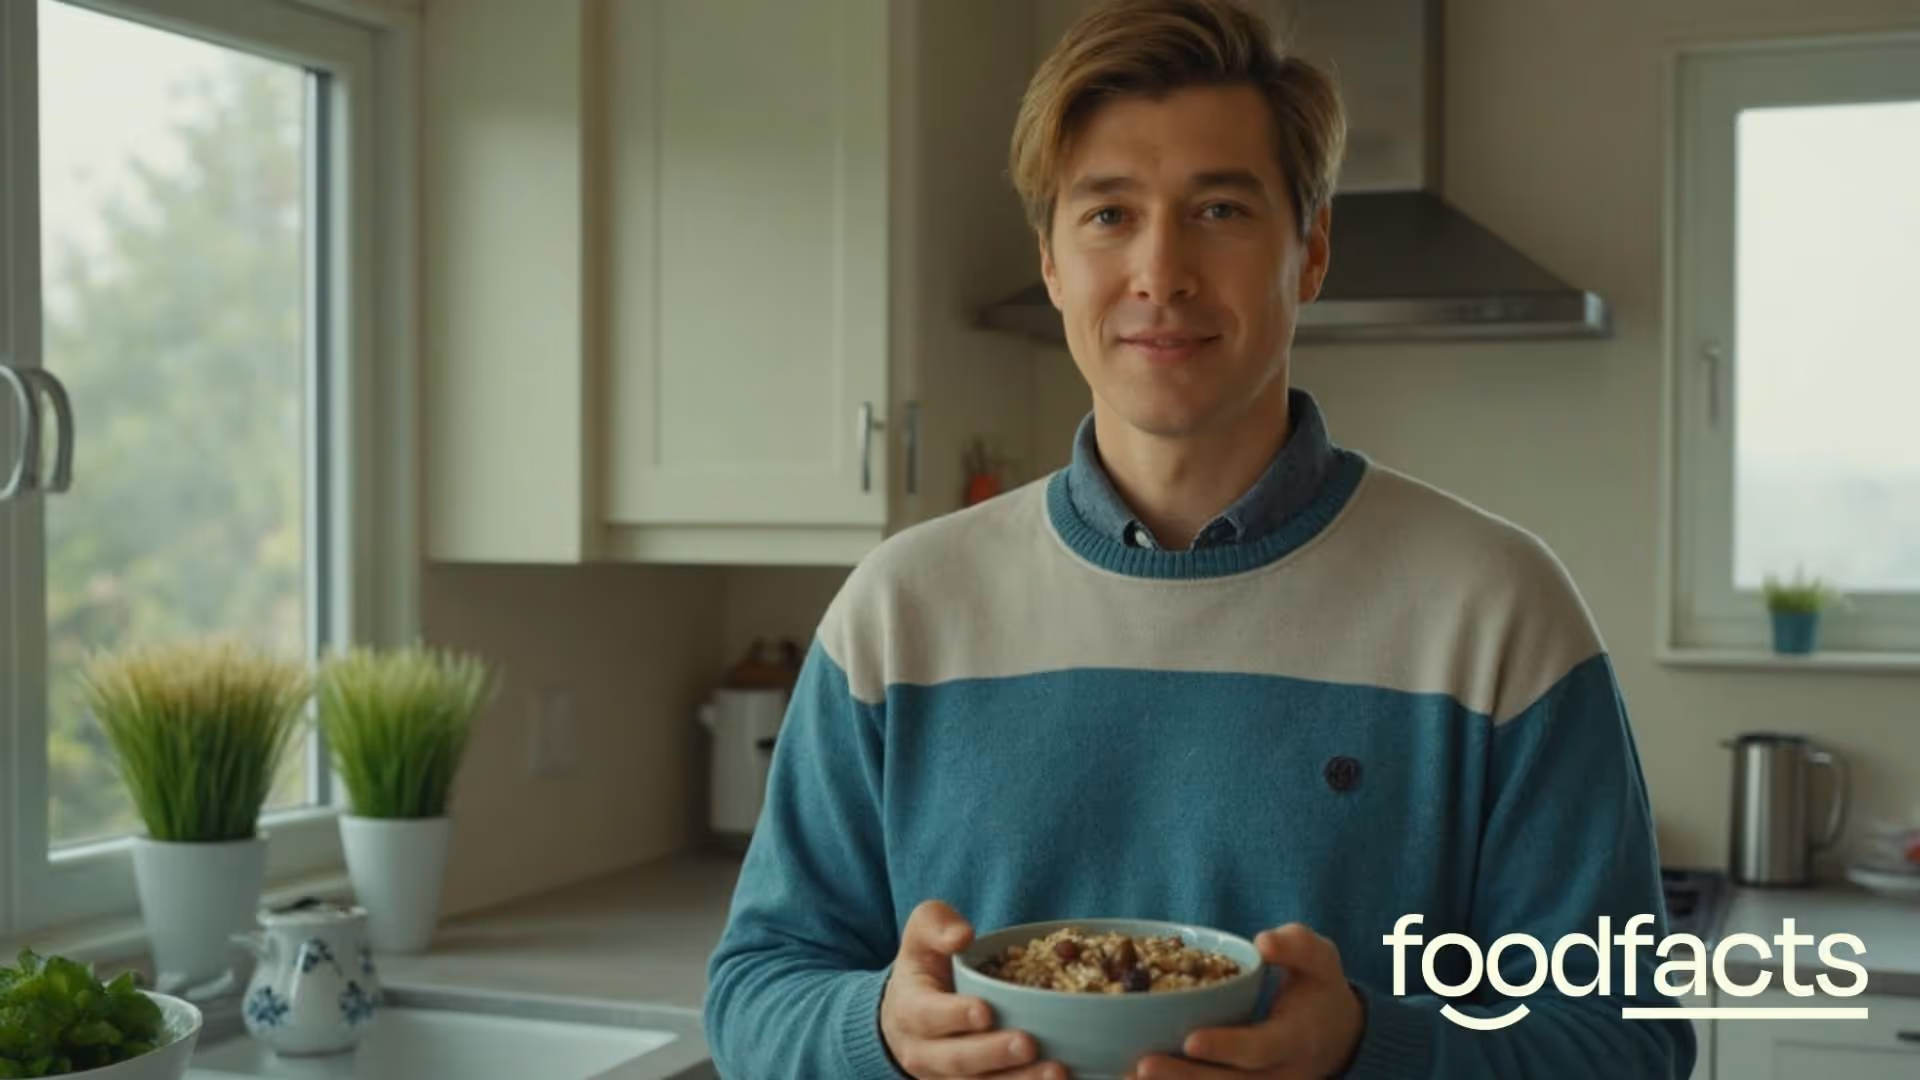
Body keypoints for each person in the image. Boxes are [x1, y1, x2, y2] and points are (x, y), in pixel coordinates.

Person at [703, 0, 1695, 1076]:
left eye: (1219, 210)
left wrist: (1366, 1047)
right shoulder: (900, 611)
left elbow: (1627, 1043)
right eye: (1108, 215)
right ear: (1050, 262)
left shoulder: (1499, 611)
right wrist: (882, 1036)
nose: (1160, 272)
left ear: (1310, 251)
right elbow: (758, 989)